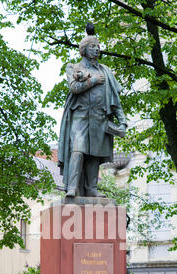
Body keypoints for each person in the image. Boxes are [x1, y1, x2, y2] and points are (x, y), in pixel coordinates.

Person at [58, 22, 127, 197]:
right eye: (92, 47)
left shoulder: (106, 71)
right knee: (78, 150)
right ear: (84, 50)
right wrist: (93, 81)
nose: (96, 50)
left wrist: (123, 121)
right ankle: (72, 187)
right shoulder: (74, 68)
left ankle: (91, 189)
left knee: (94, 155)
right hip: (80, 117)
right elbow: (74, 87)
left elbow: (115, 99)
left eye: (98, 47)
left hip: (99, 117)